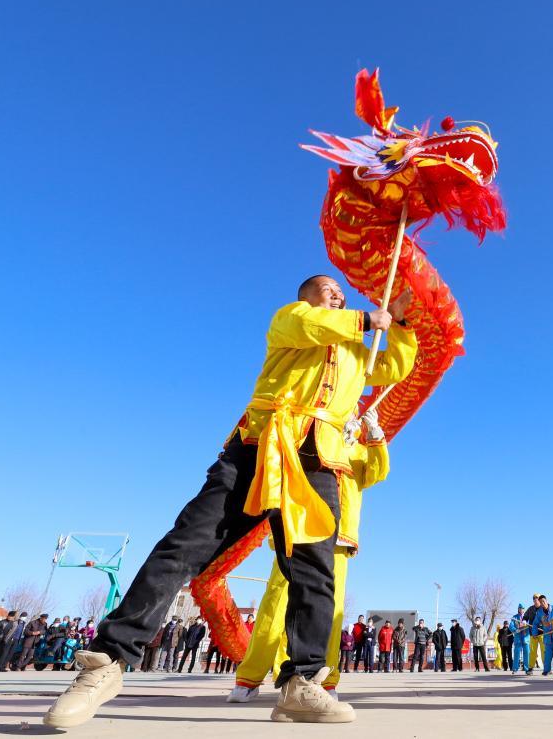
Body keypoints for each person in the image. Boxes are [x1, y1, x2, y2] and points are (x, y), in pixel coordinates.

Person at [42, 277, 416, 728]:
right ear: (306, 297)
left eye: (341, 291)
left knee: (315, 574)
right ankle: (106, 661)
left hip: (321, 459)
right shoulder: (292, 320)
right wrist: (364, 318)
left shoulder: (357, 350)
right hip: (259, 447)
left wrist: (401, 321)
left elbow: (392, 367)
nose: (336, 293)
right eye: (326, 289)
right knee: (185, 545)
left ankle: (304, 683)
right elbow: (313, 326)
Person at [229, 408, 390, 702]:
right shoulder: (310, 432)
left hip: (338, 541)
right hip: (299, 529)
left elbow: (377, 473)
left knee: (327, 612)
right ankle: (249, 677)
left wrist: (376, 435)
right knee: (274, 605)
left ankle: (323, 680)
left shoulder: (359, 452)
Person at [533, 596, 553, 676]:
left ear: (546, 601)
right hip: (547, 636)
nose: (542, 603)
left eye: (543, 601)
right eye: (540, 602)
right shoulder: (539, 613)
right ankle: (547, 670)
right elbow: (535, 624)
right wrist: (534, 633)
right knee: (547, 653)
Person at [523, 594, 543, 673]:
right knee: (532, 651)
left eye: (537, 598)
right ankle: (530, 668)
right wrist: (524, 620)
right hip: (533, 634)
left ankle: (547, 668)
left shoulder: (543, 608)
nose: (535, 600)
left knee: (544, 650)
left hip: (542, 633)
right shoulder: (530, 609)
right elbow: (525, 616)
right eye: (534, 599)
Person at [510, 605, 531, 675]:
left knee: (527, 653)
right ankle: (515, 669)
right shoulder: (515, 617)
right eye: (520, 608)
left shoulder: (527, 617)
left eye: (522, 608)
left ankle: (527, 669)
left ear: (524, 610)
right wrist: (515, 630)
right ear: (518, 609)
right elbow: (511, 626)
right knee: (516, 653)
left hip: (526, 638)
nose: (521, 610)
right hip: (518, 638)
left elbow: (531, 625)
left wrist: (527, 625)